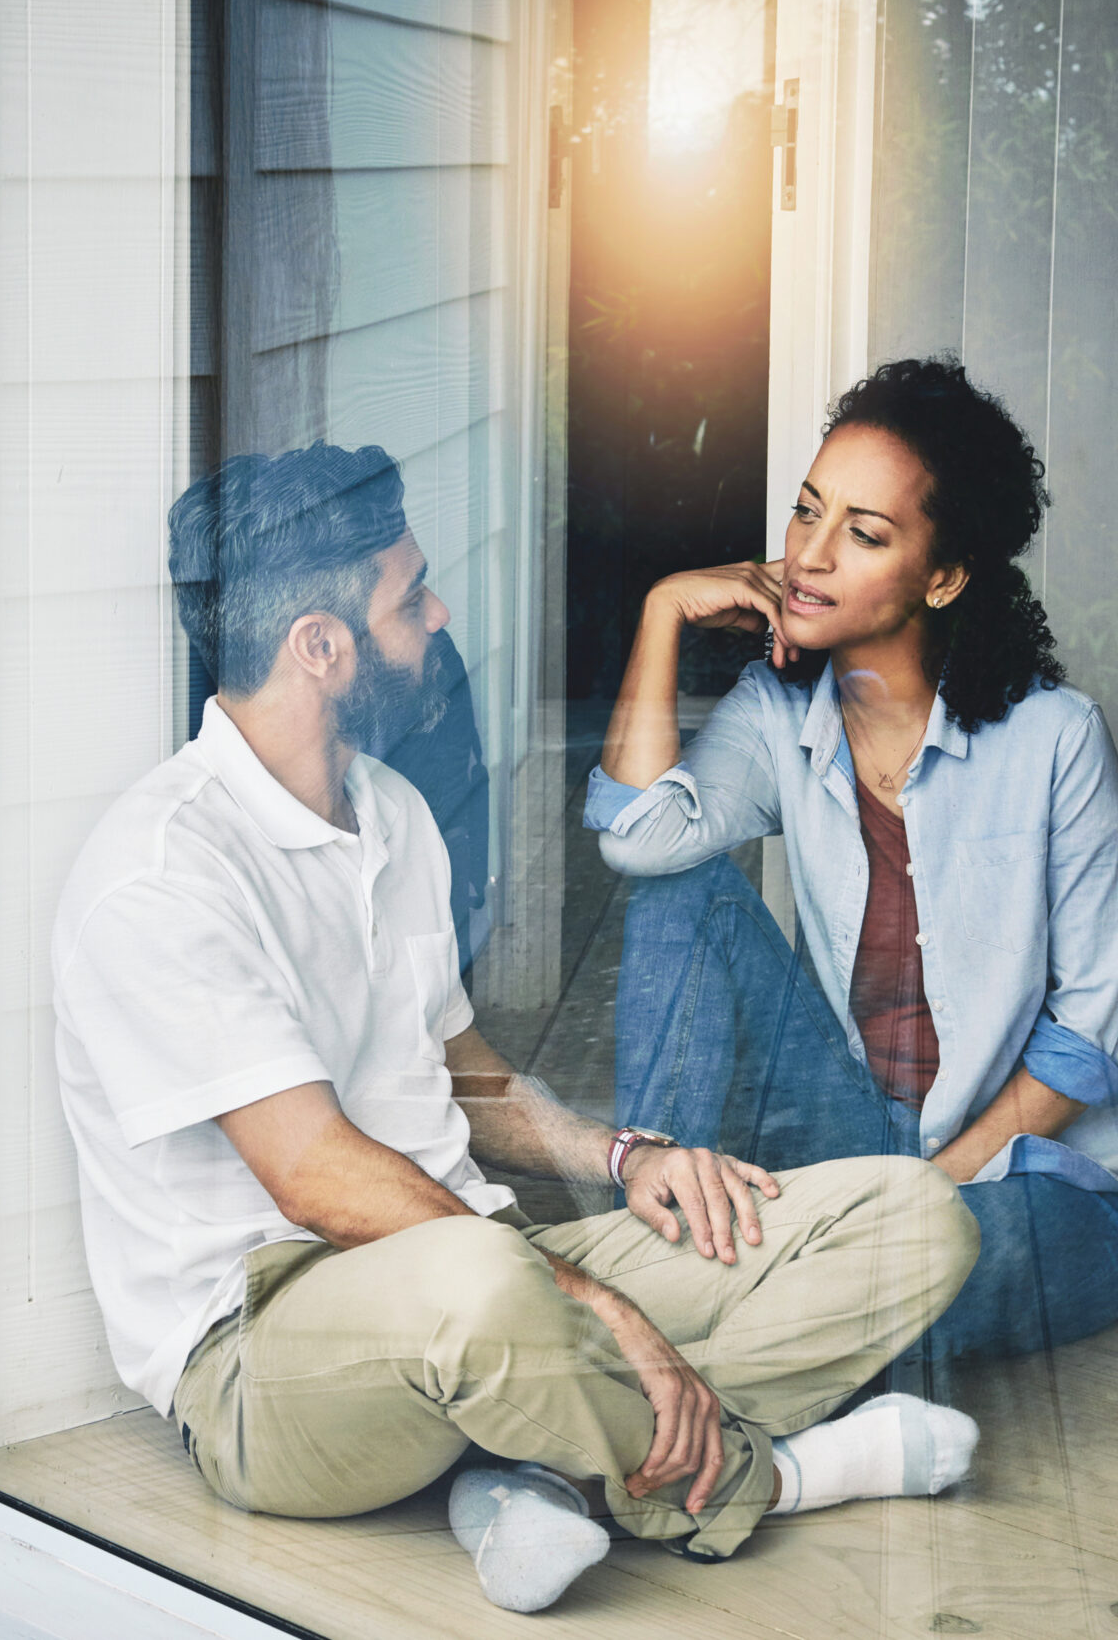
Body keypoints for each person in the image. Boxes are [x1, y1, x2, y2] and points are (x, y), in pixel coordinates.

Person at [52, 441, 983, 1613]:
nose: (440, 615)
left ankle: (533, 1469)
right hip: (266, 1351)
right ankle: (769, 1477)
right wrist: (589, 1303)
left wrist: (626, 1157)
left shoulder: (388, 812)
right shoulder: (161, 876)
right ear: (320, 649)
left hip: (477, 1259)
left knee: (915, 1219)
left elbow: (465, 1080)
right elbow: (316, 1181)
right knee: (489, 1291)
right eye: (410, 597)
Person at [590, 357, 1118, 1378]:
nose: (807, 557)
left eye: (863, 534)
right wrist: (662, 611)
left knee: (918, 1275)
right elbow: (639, 840)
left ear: (942, 577)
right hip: (855, 1135)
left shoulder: (1055, 741)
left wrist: (923, 1192)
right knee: (683, 890)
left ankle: (668, 1380)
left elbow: (1088, 1040)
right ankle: (656, 1212)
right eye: (807, 512)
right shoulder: (779, 716)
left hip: (1031, 1184)